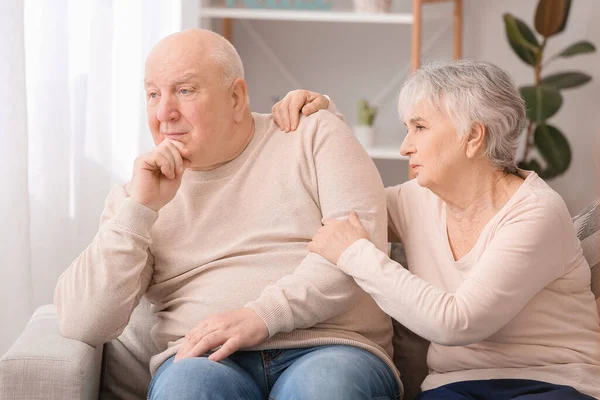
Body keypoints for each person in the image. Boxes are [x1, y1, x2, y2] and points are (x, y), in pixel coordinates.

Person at [53, 29, 401, 399]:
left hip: (333, 346)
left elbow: (357, 256)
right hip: (203, 360)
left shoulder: (312, 133)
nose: (164, 112)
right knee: (186, 391)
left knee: (325, 389)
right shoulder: (136, 196)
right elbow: (83, 323)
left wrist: (261, 317)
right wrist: (139, 210)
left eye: (184, 91)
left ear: (236, 97)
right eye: (153, 94)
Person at [272, 60, 600, 399]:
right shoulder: (416, 200)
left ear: (473, 136)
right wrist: (325, 117)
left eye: (420, 127)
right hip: (454, 386)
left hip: (552, 383)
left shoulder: (536, 213)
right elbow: (345, 199)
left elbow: (458, 322)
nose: (405, 147)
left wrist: (356, 255)